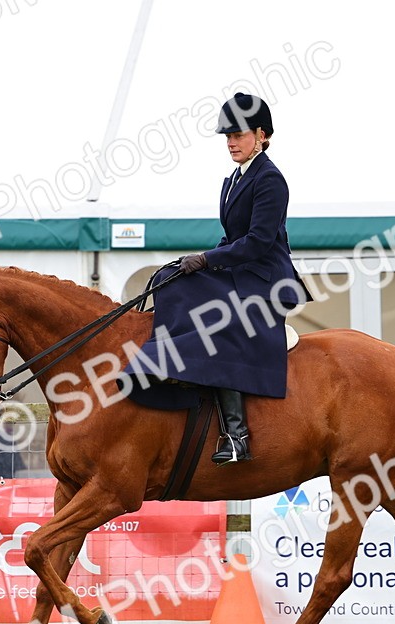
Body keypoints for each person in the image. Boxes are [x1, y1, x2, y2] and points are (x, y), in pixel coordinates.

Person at [125, 92, 311, 465]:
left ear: (260, 134)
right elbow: (231, 238)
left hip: (265, 281)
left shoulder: (271, 179)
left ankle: (236, 434)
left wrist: (208, 260)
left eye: (238, 135)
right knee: (171, 281)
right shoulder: (232, 180)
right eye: (227, 136)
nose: (230, 143)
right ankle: (176, 371)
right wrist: (195, 260)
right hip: (239, 271)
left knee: (217, 324)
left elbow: (258, 242)